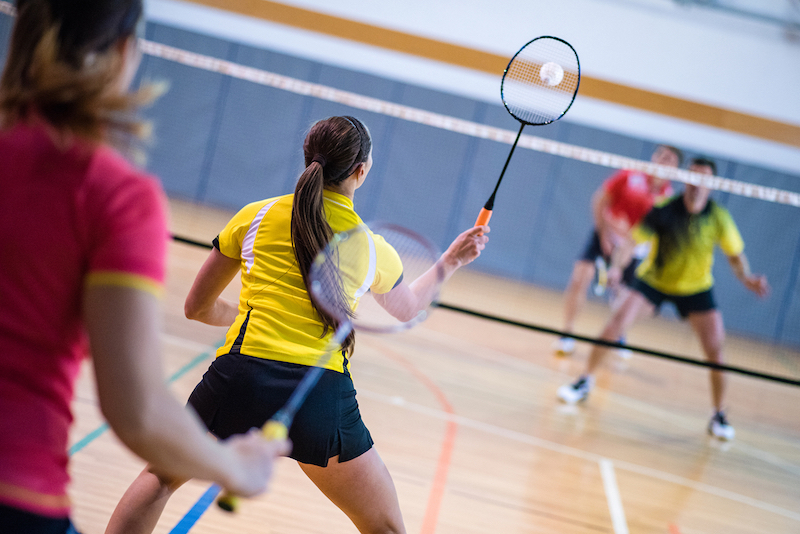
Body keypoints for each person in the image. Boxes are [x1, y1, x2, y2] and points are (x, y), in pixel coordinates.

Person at [105, 115, 490, 534]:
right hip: (320, 396)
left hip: (239, 376)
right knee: (386, 529)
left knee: (159, 479)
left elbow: (197, 307)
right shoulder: (372, 247)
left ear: (308, 157)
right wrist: (450, 261)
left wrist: (238, 317)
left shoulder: (256, 216)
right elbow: (407, 307)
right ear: (361, 171)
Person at [0, 2, 289, 533]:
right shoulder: (114, 195)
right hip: (16, 493)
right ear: (122, 51)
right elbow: (137, 411)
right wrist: (235, 467)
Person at [556, 158, 770, 441]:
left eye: (703, 179)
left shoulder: (718, 216)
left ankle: (719, 414)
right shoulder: (664, 210)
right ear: (685, 179)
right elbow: (632, 241)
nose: (696, 184)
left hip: (696, 288)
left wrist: (747, 278)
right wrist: (618, 267)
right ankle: (584, 381)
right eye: (692, 177)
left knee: (716, 351)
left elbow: (734, 254)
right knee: (615, 323)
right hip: (654, 282)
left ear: (712, 184)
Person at [553, 145, 682, 357]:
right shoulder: (630, 177)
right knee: (580, 278)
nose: (663, 161)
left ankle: (618, 334)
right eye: (660, 155)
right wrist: (604, 234)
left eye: (669, 159)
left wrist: (624, 252)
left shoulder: (668, 199)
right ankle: (566, 334)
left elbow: (652, 232)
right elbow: (599, 200)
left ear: (676, 167)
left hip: (634, 249)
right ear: (653, 157)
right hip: (605, 234)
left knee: (626, 300)